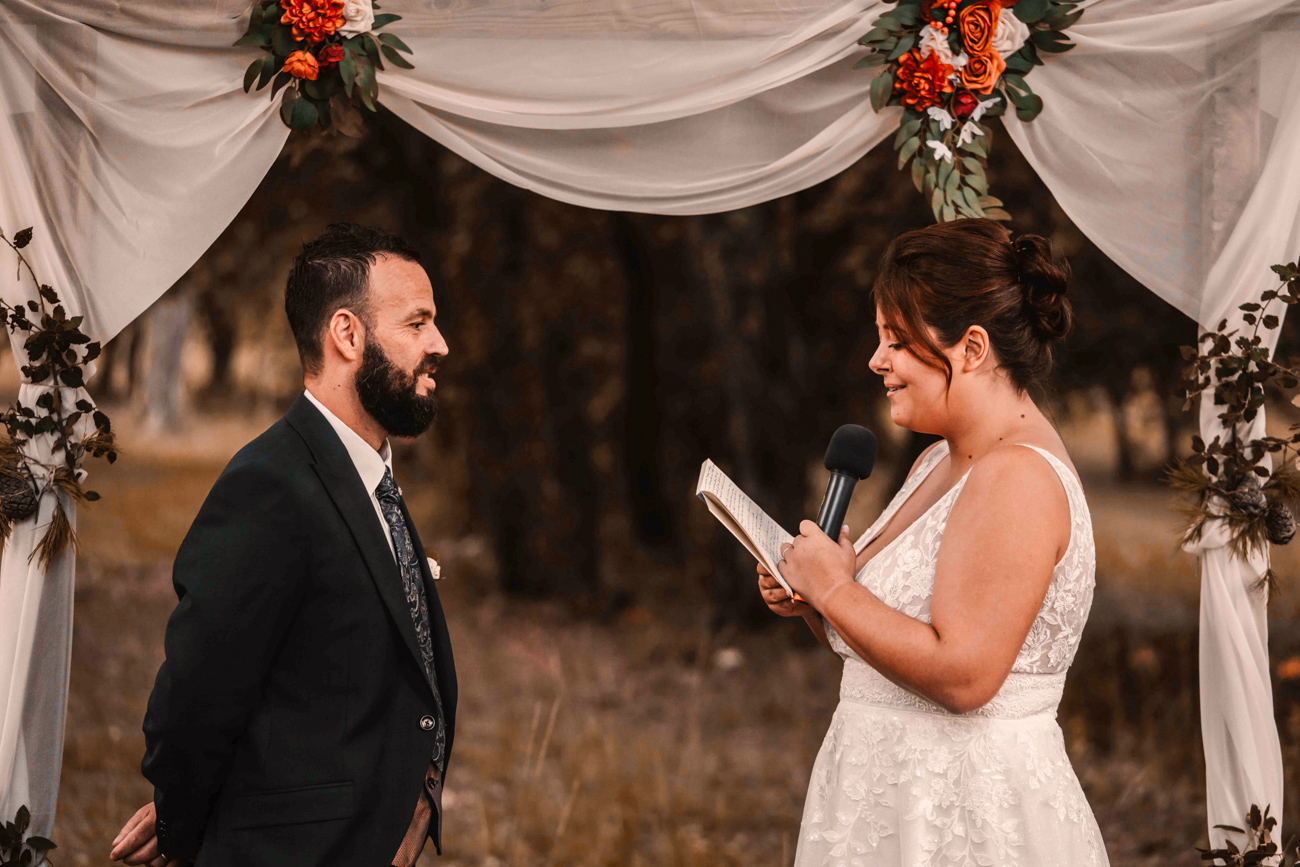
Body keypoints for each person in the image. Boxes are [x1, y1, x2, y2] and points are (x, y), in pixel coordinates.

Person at [761, 219, 1108, 866]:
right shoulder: (938, 463)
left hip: (964, 814)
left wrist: (836, 586)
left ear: (972, 348)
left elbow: (965, 674)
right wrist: (817, 599)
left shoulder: (1018, 476)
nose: (877, 360)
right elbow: (884, 652)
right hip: (883, 801)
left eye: (896, 340)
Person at [109, 223, 457, 867]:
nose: (438, 344)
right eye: (417, 324)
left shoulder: (371, 472)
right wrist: (188, 819)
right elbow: (195, 699)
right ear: (348, 335)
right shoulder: (268, 486)